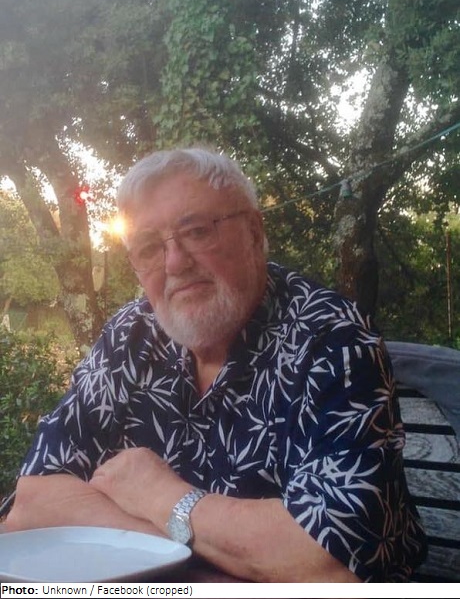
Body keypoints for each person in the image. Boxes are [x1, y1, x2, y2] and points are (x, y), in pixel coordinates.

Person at [4, 147, 426, 582]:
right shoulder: (130, 334)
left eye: (197, 232)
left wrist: (158, 495)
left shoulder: (331, 338)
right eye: (149, 248)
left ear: (254, 232)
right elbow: (34, 502)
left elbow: (330, 560)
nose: (174, 263)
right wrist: (200, 547)